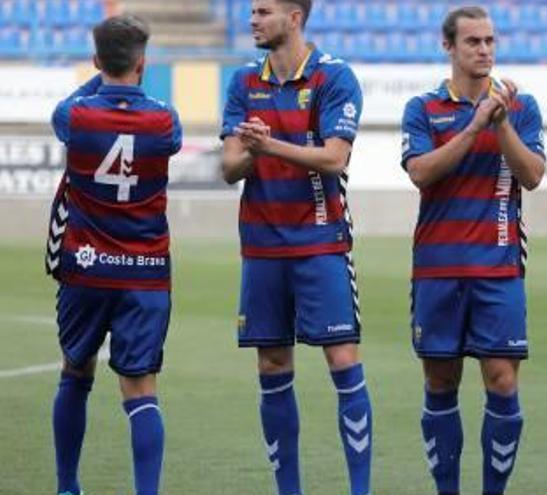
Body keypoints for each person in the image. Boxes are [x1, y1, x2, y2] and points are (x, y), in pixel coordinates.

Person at [219, 1, 371, 494]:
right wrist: (247, 151)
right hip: (262, 244)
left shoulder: (333, 77)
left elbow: (334, 157)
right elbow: (229, 168)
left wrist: (267, 146)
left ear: (294, 16)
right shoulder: (244, 82)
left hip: (320, 242)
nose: (253, 19)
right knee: (272, 366)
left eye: (263, 10)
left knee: (343, 361)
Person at [400, 6, 545, 495]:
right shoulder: (423, 108)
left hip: (499, 269)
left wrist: (499, 124)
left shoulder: (521, 109)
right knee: (440, 385)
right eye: (472, 42)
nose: (484, 50)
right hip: (438, 270)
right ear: (449, 48)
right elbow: (420, 172)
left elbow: (532, 175)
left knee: (503, 384)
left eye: (489, 41)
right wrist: (474, 125)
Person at [45, 14, 182, 495]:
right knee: (141, 387)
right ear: (143, 62)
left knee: (75, 370)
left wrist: (101, 75)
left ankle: (67, 487)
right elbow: (171, 139)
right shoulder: (166, 120)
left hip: (85, 268)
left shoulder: (74, 117)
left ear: (97, 60)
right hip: (144, 273)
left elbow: (67, 107)